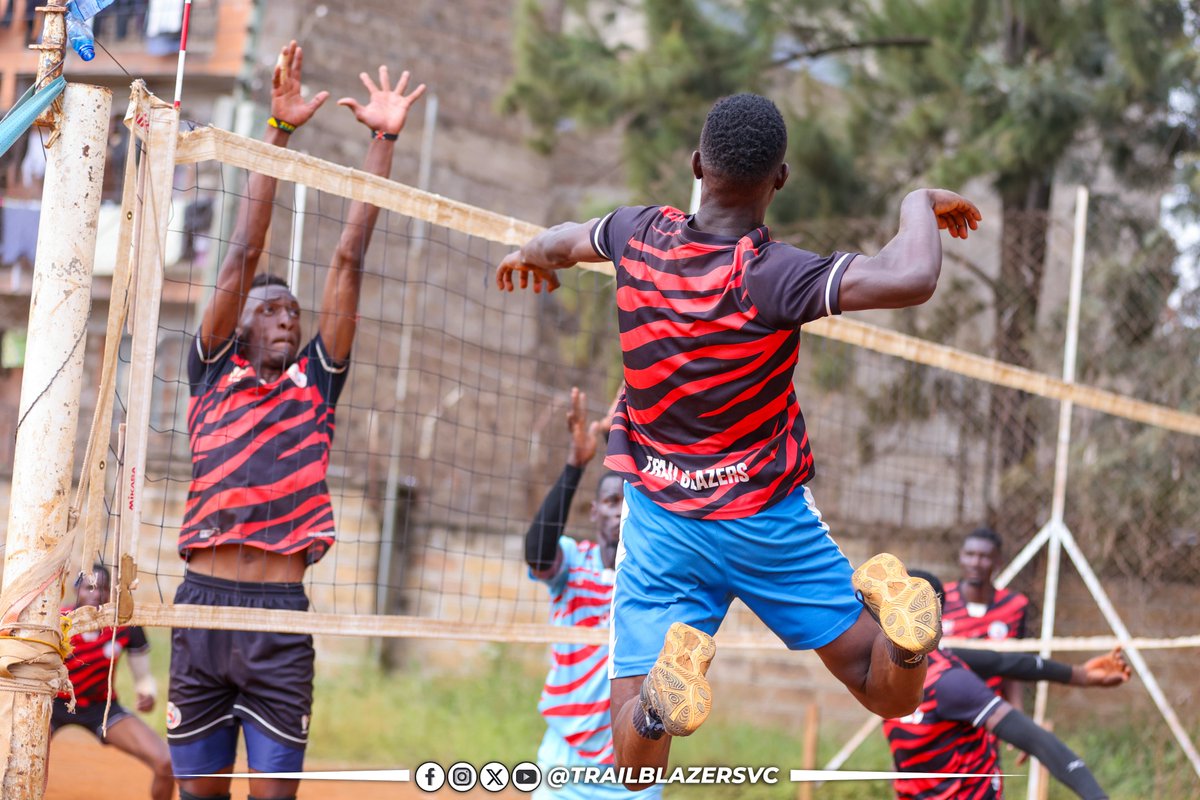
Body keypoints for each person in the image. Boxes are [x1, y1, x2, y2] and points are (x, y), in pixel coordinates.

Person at [496, 92, 983, 785]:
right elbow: (912, 275)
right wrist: (917, 200)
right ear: (778, 180)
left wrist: (530, 253)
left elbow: (566, 238)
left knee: (631, 758)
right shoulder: (772, 275)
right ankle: (907, 643)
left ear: (696, 164)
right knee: (888, 694)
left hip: (663, 525)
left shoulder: (637, 234)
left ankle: (662, 708)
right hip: (767, 522)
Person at [166, 41, 425, 800]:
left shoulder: (315, 383)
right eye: (269, 310)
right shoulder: (211, 373)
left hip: (280, 617)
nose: (286, 318)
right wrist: (279, 135)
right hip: (202, 611)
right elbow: (242, 256)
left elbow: (349, 258)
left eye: (292, 311)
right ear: (239, 324)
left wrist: (383, 141)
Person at [884, 570, 1129, 800]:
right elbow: (1003, 662)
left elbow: (1038, 740)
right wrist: (1080, 675)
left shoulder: (950, 682)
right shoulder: (887, 665)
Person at [526, 387, 660, 799]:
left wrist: (618, 440)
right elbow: (536, 553)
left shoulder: (654, 578)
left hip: (633, 773)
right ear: (594, 511)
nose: (618, 510)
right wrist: (576, 463)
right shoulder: (572, 563)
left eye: (625, 501)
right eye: (608, 501)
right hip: (564, 766)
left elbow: (659, 499)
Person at [53, 564, 173, 800]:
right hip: (55, 704)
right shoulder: (59, 621)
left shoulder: (123, 625)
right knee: (18, 755)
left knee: (166, 761)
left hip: (102, 707)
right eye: (89, 587)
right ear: (77, 590)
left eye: (103, 588)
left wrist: (146, 692)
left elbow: (143, 677)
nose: (96, 594)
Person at [943, 527, 1030, 708]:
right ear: (960, 557)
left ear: (998, 561)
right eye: (969, 554)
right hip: (942, 705)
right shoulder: (939, 599)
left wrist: (1018, 717)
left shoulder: (1014, 606)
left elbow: (1013, 667)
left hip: (988, 708)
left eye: (984, 556)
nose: (975, 562)